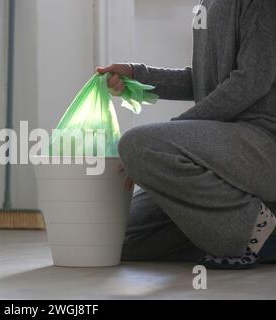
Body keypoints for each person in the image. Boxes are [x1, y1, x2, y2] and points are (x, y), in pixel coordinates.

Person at [97, 0, 276, 269]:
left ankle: (258, 232)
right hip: (227, 146)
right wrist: (138, 76)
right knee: (119, 237)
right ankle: (233, 228)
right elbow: (206, 81)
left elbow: (251, 81)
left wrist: (162, 143)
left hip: (263, 142)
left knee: (139, 145)